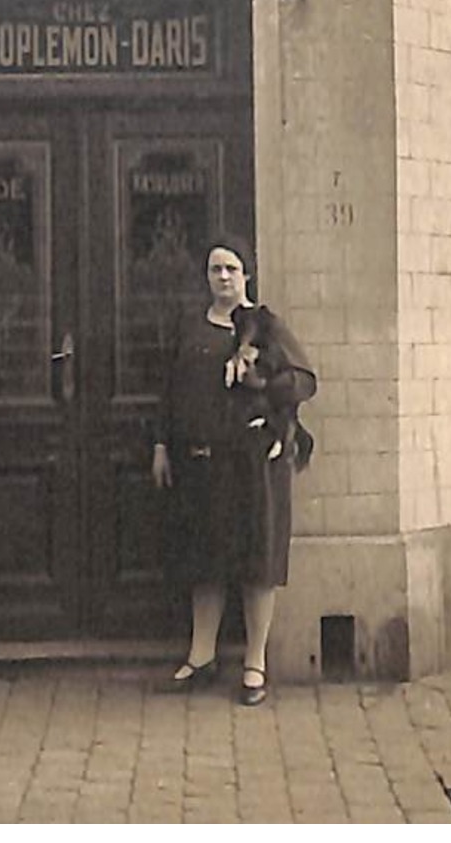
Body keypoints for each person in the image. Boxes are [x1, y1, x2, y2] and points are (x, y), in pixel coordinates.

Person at [151, 234, 317, 706]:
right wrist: (162, 445)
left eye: (231, 269)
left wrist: (262, 383)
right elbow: (169, 390)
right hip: (203, 464)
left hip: (254, 467)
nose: (222, 278)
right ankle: (201, 656)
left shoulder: (264, 326)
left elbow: (303, 381)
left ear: (247, 274)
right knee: (205, 562)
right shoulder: (190, 328)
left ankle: (254, 664)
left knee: (256, 563)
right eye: (214, 270)